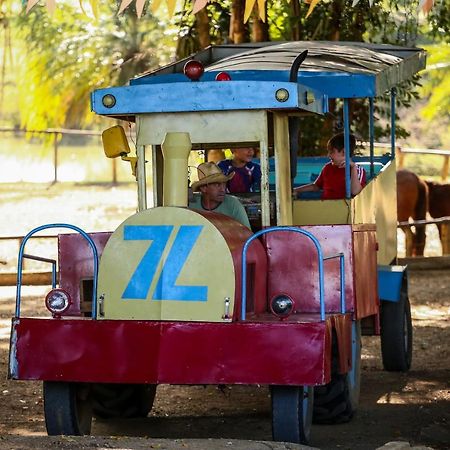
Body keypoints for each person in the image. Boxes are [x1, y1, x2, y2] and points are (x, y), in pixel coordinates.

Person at [294, 133, 366, 200]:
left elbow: (355, 192)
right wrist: (296, 190)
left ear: (344, 152)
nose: (328, 155)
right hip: (326, 208)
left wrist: (353, 168)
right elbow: (316, 186)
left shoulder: (357, 170)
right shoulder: (327, 168)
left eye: (331, 152)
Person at [189, 162, 251, 228]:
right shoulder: (192, 205)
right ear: (203, 188)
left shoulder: (233, 205)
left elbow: (248, 235)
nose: (223, 189)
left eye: (224, 184)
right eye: (217, 185)